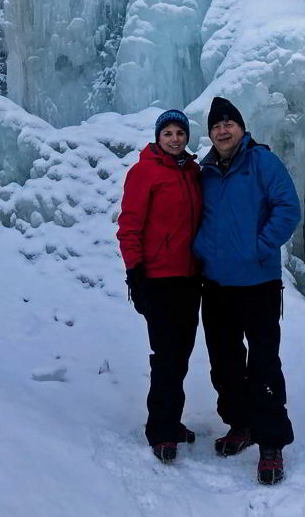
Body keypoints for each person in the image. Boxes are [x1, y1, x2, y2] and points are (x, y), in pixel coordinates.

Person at [191, 96, 302, 485]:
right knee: (224, 362)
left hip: (258, 282)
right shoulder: (203, 171)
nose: (223, 130)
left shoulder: (262, 162)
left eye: (229, 124)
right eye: (216, 126)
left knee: (264, 363)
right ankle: (241, 423)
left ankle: (271, 442)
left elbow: (288, 208)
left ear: (241, 128)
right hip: (216, 283)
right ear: (210, 134)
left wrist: (259, 247)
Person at [117, 109, 204, 463]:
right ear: (158, 137)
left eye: (179, 133)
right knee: (166, 356)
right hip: (158, 279)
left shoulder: (193, 172)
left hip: (190, 278)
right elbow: (129, 227)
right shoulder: (144, 172)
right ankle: (161, 430)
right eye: (167, 133)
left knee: (180, 354)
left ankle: (172, 419)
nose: (174, 139)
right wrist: (135, 275)